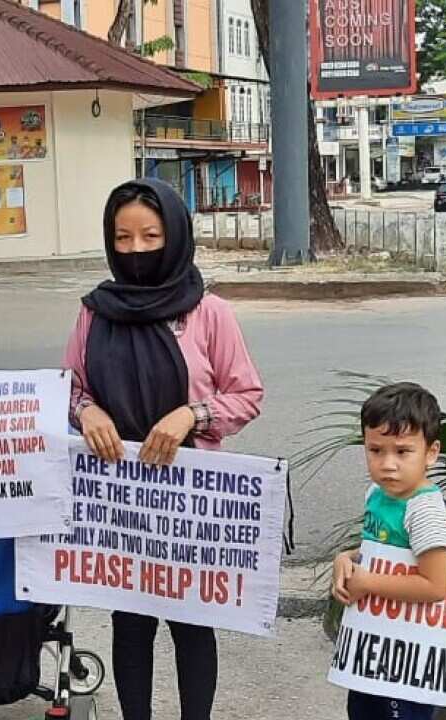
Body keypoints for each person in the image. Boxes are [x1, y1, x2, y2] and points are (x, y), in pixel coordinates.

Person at [63, 178, 263, 720]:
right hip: (120, 496)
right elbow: (68, 388)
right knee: (131, 626)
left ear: (173, 236)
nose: (135, 251)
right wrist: (87, 411)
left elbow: (246, 394)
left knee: (193, 624)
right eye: (122, 238)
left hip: (190, 498)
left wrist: (190, 415)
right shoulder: (95, 312)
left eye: (150, 236)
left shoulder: (208, 312)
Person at [331, 383, 446, 720]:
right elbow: (378, 548)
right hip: (371, 644)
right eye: (375, 450)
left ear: (431, 453)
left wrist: (368, 583)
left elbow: (436, 585)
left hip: (407, 654)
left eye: (402, 452)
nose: (387, 464)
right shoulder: (377, 493)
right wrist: (348, 558)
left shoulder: (424, 510)